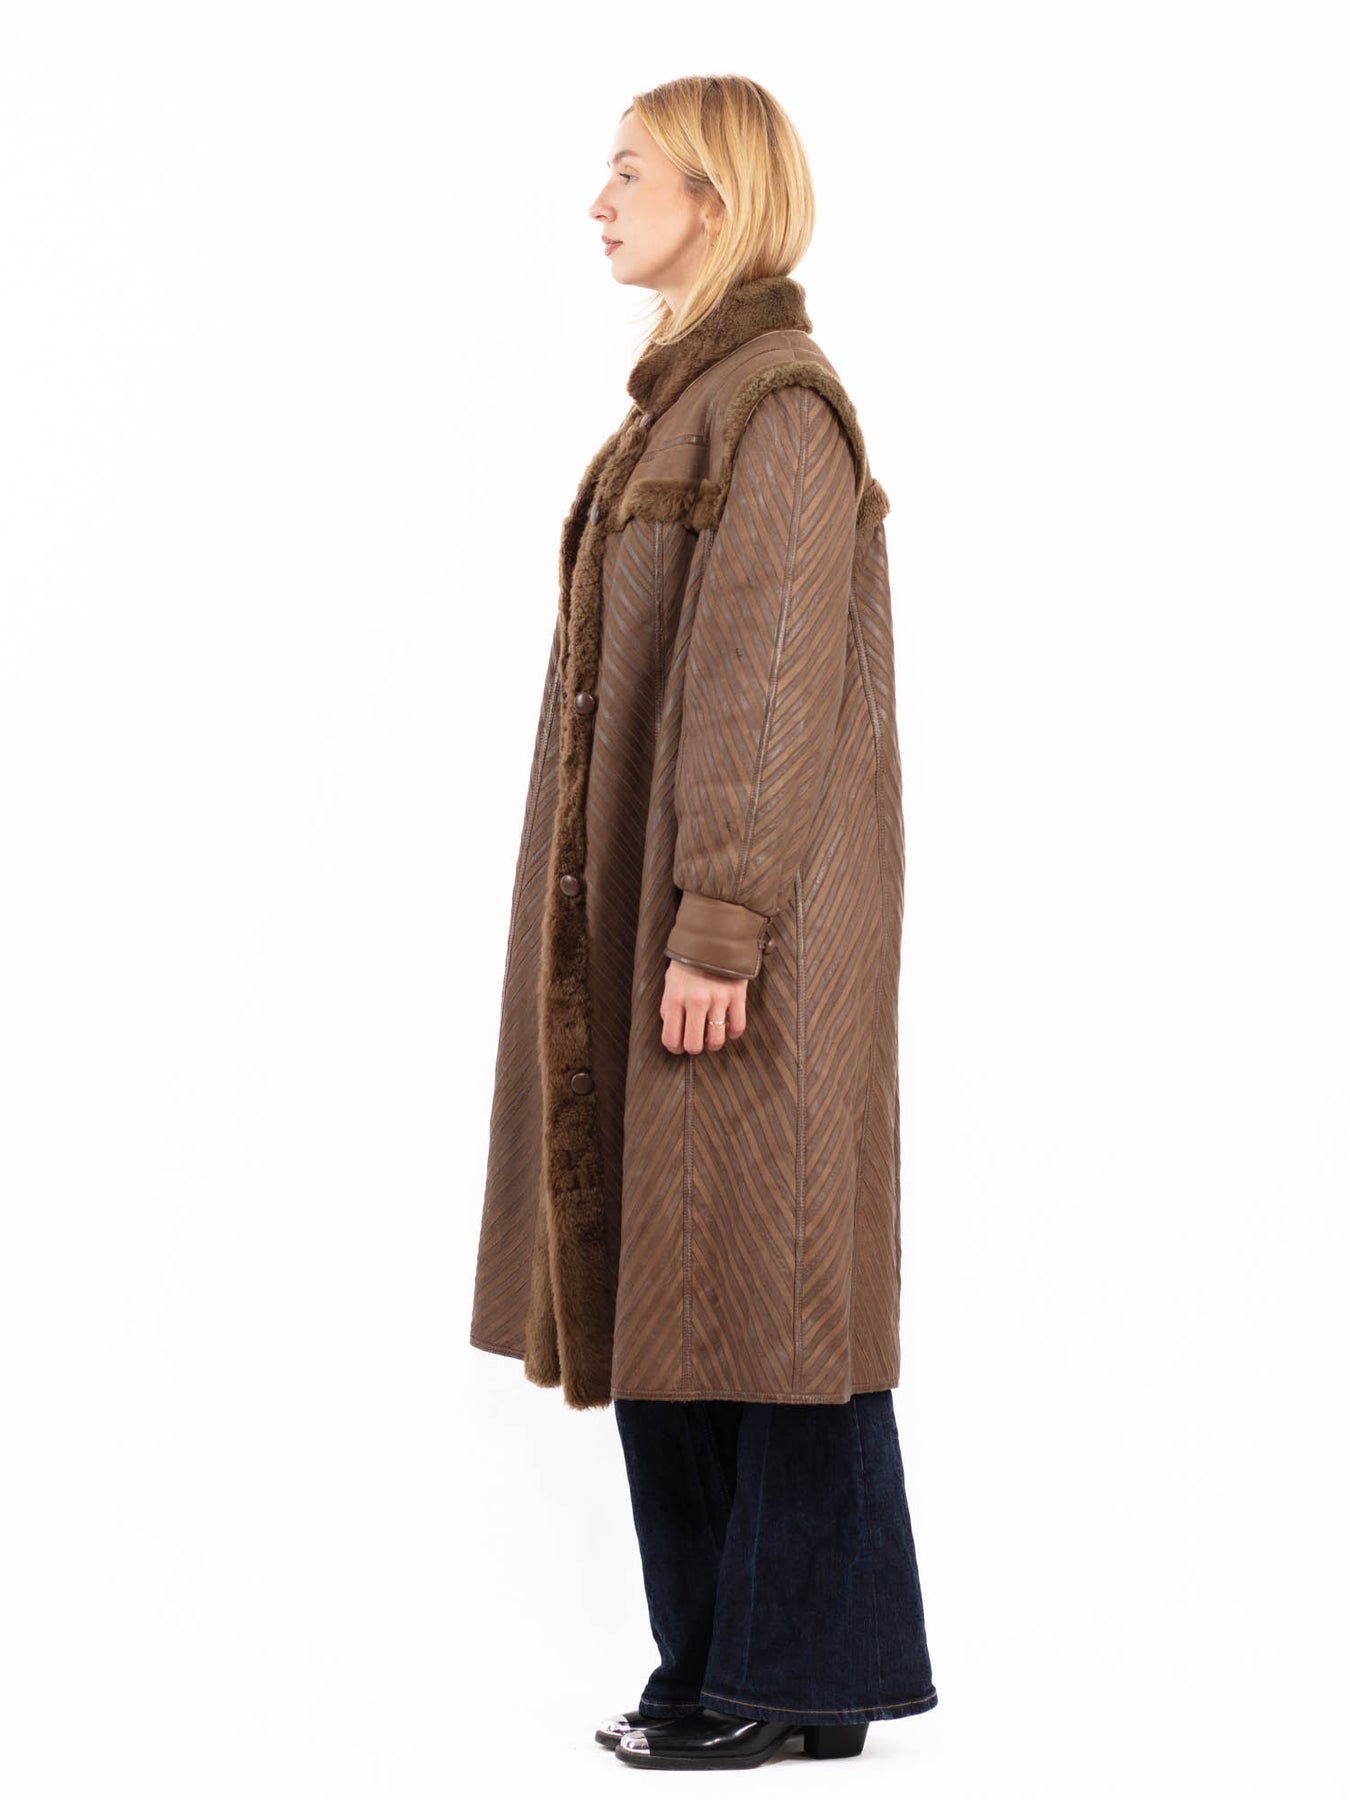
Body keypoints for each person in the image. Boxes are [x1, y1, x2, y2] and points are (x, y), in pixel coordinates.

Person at [469, 73, 938, 1770]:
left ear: (715, 203)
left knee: (772, 1312)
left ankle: (792, 1677)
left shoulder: (777, 408)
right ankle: (722, 1666)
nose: (597, 203)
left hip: (742, 955)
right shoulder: (680, 408)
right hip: (656, 940)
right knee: (677, 1303)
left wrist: (718, 923)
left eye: (628, 174)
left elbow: (765, 683)